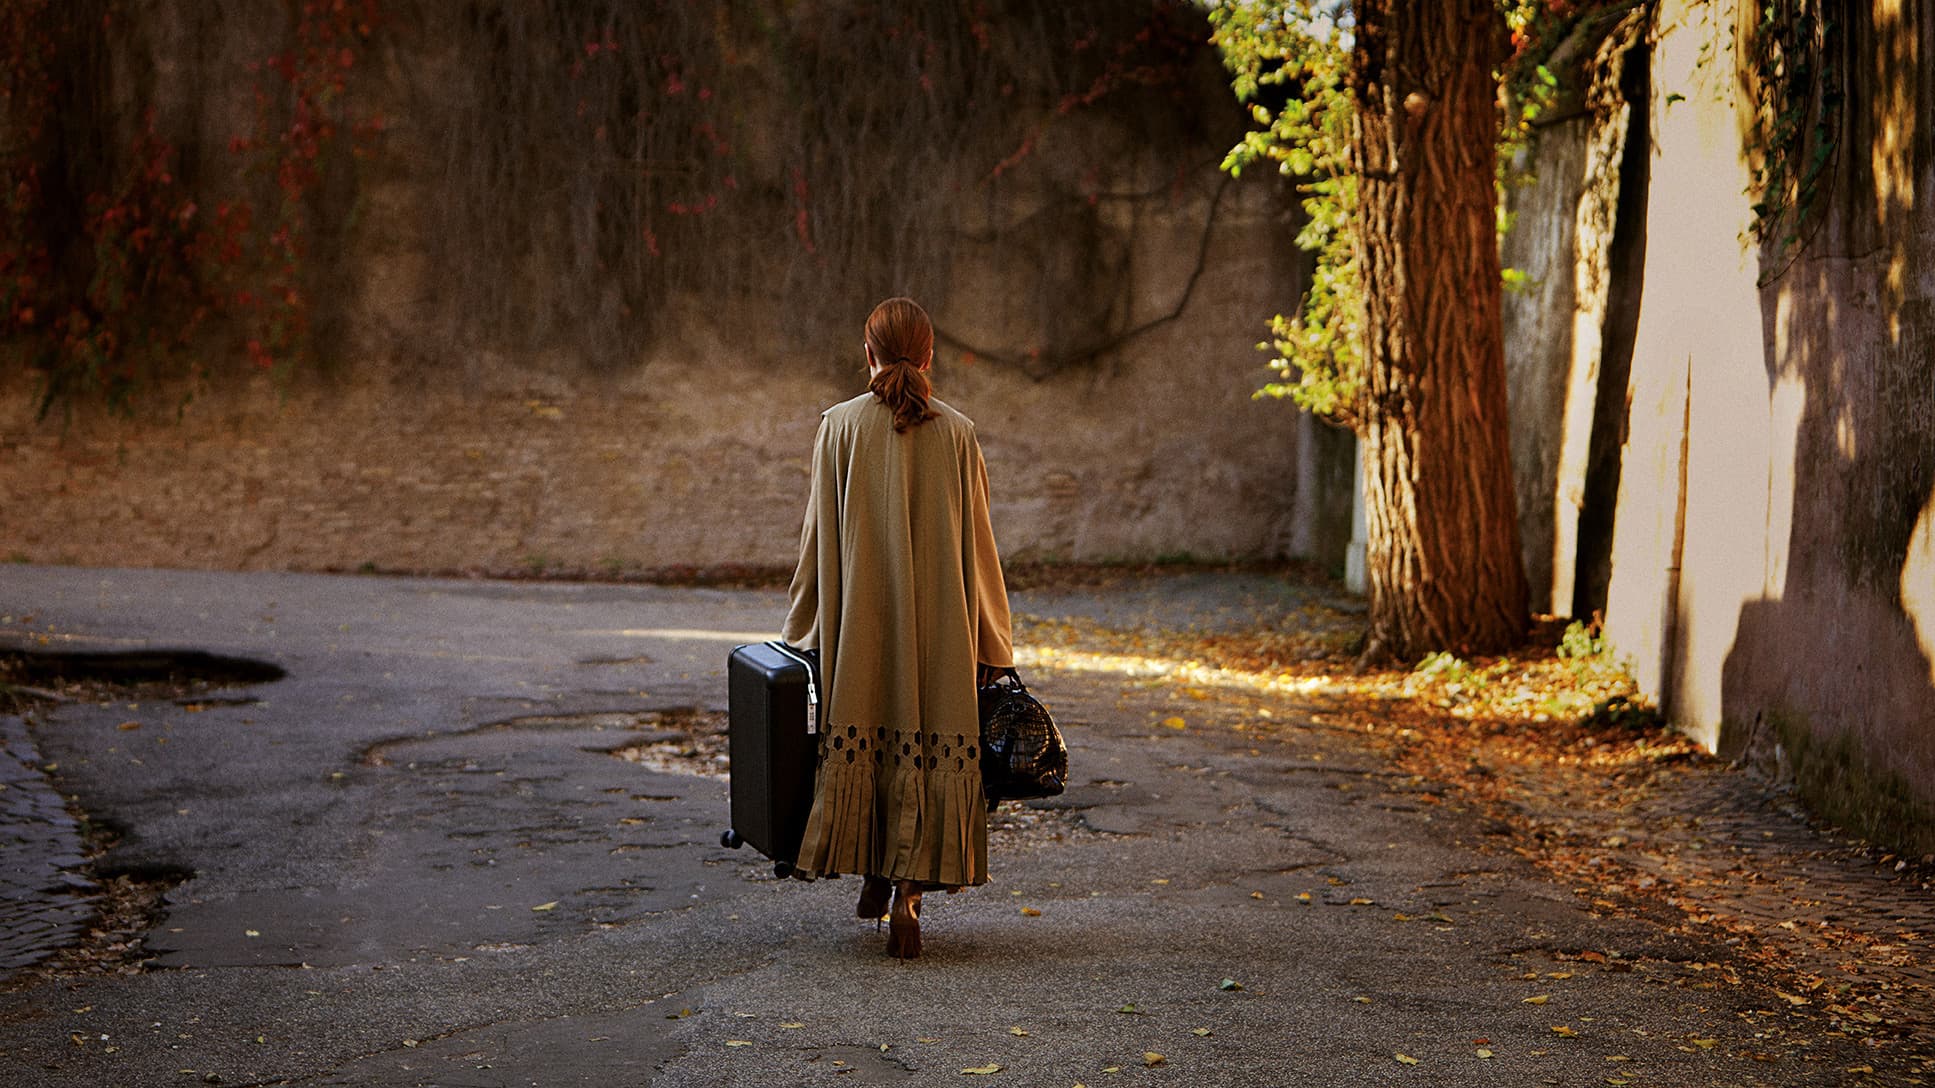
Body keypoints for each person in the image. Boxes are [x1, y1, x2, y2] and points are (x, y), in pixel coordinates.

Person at [782, 296, 1014, 959]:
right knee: (925, 740)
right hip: (942, 635)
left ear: (868, 353)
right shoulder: (959, 432)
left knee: (869, 741)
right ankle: (907, 896)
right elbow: (979, 547)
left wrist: (803, 628)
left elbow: (816, 539)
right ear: (931, 356)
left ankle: (874, 877)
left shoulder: (838, 426)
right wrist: (993, 641)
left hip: (861, 631)